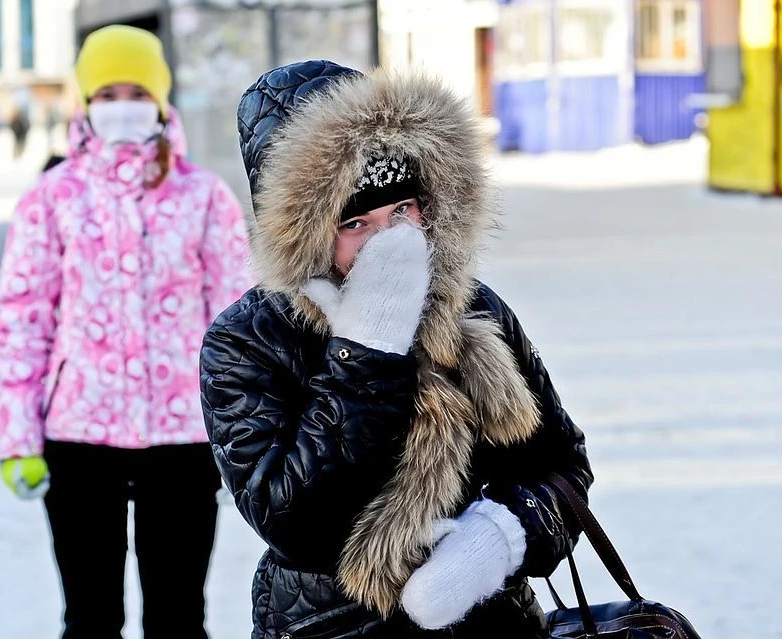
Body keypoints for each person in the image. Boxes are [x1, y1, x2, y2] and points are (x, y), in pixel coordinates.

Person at [200, 60, 593, 638]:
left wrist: (499, 539)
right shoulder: (247, 341)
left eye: (403, 210)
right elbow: (292, 522)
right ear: (302, 234)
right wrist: (367, 352)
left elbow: (560, 464)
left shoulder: (471, 307)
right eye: (355, 221)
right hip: (329, 626)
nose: (391, 242)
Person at [0, 25, 253, 639]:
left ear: (160, 101)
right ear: (84, 103)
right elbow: (24, 317)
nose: (121, 107)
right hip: (80, 435)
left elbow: (237, 325)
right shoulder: (51, 199)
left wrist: (247, 425)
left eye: (135, 91)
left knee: (179, 618)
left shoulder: (204, 197)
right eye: (105, 94)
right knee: (90, 619)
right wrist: (17, 436)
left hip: (183, 440)